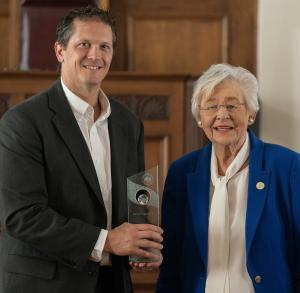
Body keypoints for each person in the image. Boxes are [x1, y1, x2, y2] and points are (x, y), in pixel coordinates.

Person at [0, 6, 163, 293]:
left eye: (104, 46)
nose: (95, 55)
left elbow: (139, 198)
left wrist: (144, 246)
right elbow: (22, 216)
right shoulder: (22, 121)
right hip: (45, 284)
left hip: (112, 283)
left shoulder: (129, 123)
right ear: (60, 51)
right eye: (83, 44)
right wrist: (108, 241)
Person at [156, 63, 300, 293]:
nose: (222, 115)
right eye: (211, 106)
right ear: (199, 118)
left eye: (232, 105)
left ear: (251, 114)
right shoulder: (181, 172)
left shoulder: (288, 167)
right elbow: (171, 260)